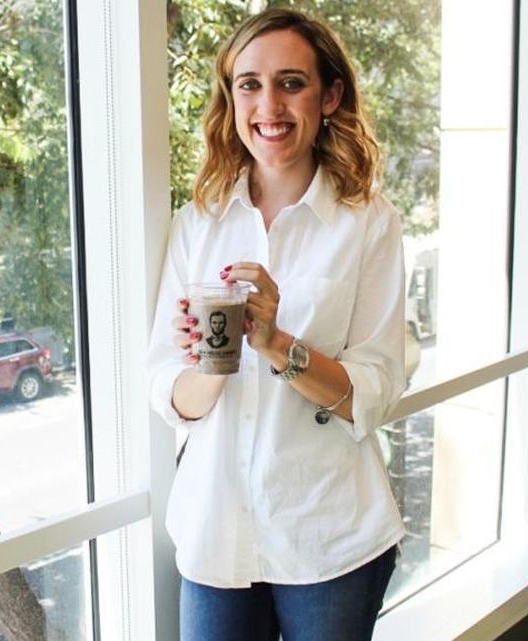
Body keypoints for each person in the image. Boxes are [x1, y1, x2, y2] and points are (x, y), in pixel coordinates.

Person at [146, 7, 407, 641]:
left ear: (330, 96)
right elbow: (166, 386)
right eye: (250, 84)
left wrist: (273, 341)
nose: (270, 104)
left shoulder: (368, 222)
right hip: (217, 531)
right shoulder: (198, 222)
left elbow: (374, 390)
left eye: (292, 82)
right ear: (231, 98)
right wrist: (214, 360)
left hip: (328, 533)